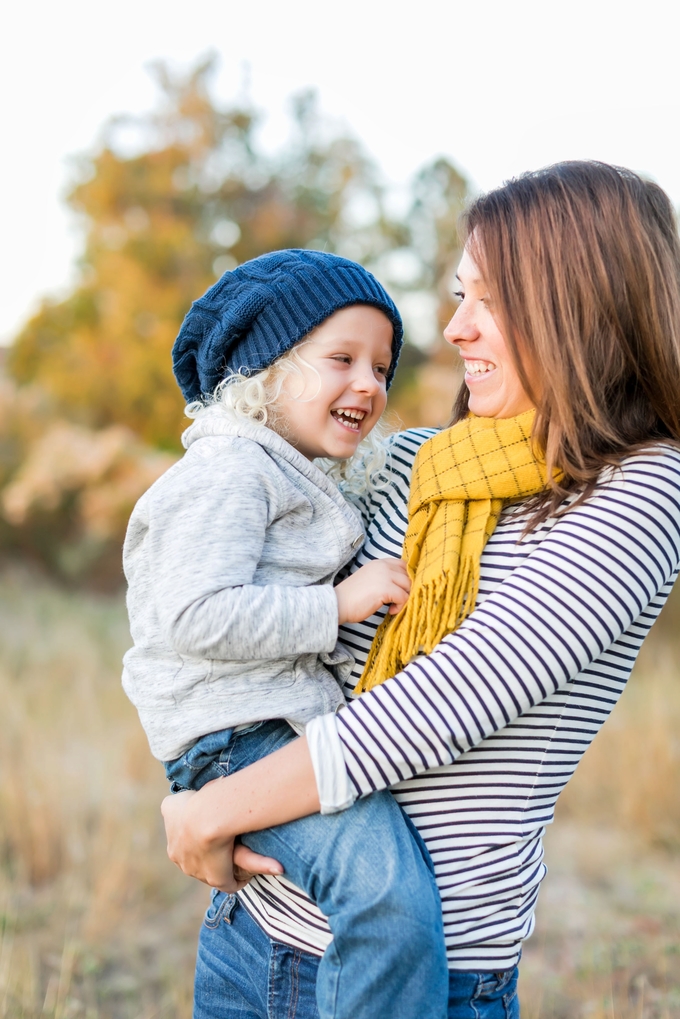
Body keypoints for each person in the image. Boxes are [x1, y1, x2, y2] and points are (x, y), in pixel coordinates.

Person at [161, 162, 680, 1019]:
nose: (456, 327)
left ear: (575, 300)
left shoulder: (639, 488)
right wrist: (201, 776)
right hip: (252, 935)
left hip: (427, 975)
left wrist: (211, 812)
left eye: (487, 299)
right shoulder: (413, 461)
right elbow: (255, 628)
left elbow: (431, 708)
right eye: (456, 294)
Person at [121, 249, 449, 1019]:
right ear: (265, 368)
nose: (369, 383)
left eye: (382, 365)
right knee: (390, 902)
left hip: (267, 725)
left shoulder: (293, 470)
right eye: (342, 358)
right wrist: (336, 606)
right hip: (236, 735)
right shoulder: (231, 470)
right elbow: (195, 615)